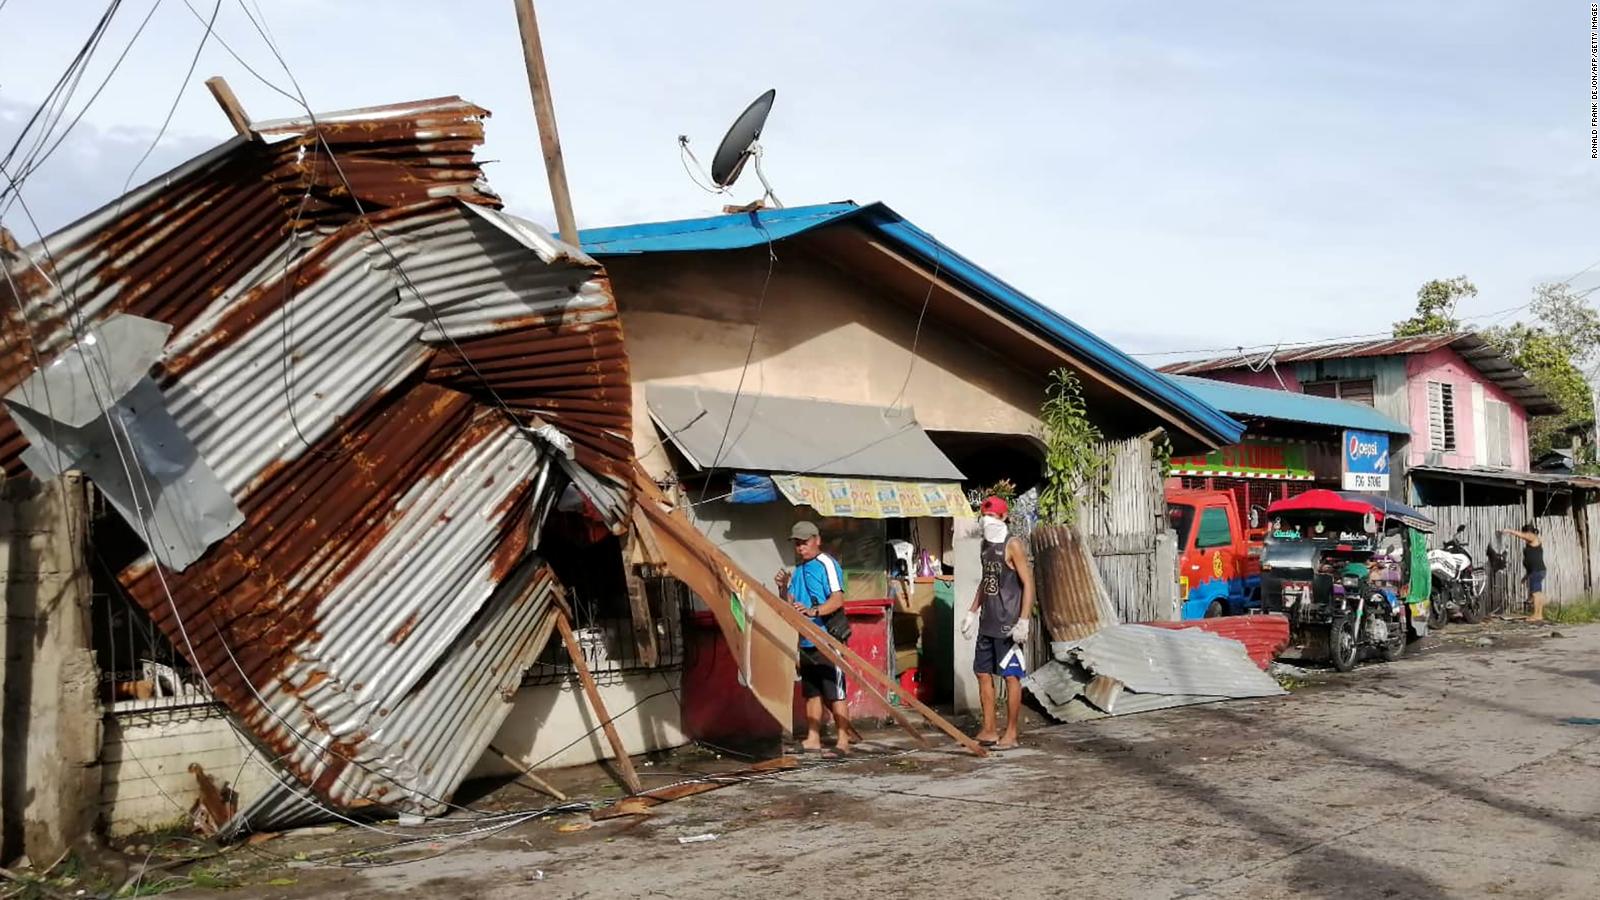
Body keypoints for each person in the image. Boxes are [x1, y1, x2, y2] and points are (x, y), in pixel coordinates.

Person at [775, 521, 857, 755]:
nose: (801, 547)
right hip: (805, 641)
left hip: (828, 638)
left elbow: (837, 599)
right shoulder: (799, 570)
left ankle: (843, 740)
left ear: (817, 540)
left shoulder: (827, 564)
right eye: (797, 543)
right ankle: (813, 738)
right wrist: (782, 588)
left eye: (805, 542)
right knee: (811, 692)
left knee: (835, 692)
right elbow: (790, 607)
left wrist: (815, 611)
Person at [960, 496, 1035, 750]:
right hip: (987, 621)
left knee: (1011, 676)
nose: (987, 520)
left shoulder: (1012, 545)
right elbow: (987, 579)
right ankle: (989, 729)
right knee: (982, 672)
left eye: (993, 516)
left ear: (1004, 517)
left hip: (1008, 623)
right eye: (985, 515)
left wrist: (1023, 620)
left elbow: (1028, 583)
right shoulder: (985, 545)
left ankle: (1011, 733)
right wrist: (972, 611)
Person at [1499, 524, 1546, 622]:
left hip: (1537, 570)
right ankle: (1538, 614)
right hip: (1535, 570)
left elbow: (1523, 535)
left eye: (1525, 533)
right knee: (1537, 593)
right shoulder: (1531, 541)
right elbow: (1532, 559)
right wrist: (1526, 576)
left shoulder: (1533, 537)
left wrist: (1509, 530)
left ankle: (1537, 615)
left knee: (1536, 594)